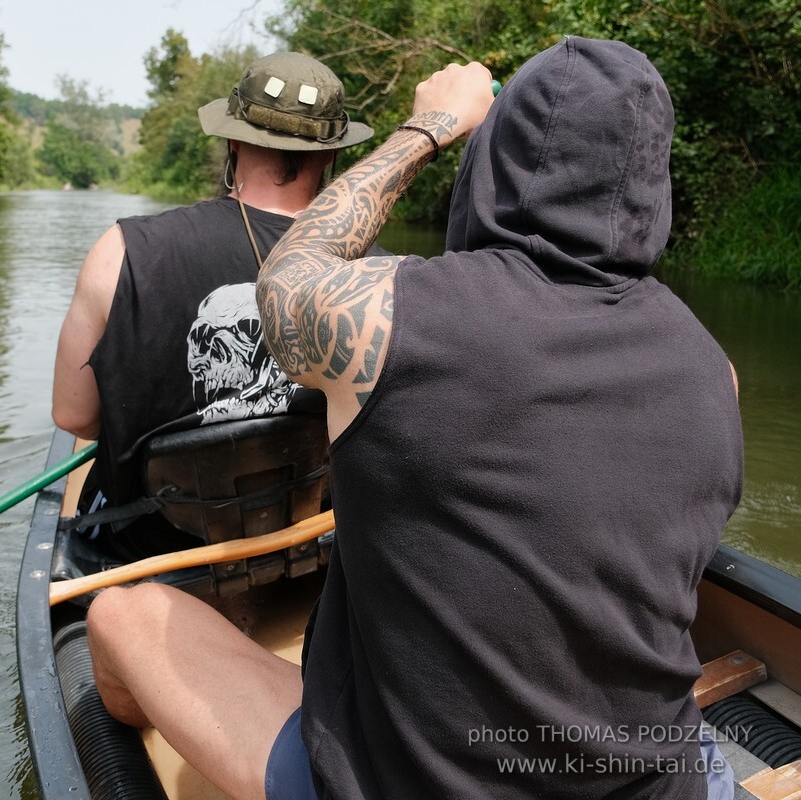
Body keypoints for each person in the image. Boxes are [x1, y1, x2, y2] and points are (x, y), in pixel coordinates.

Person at [86, 36, 743, 800]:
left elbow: (286, 279)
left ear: (493, 165)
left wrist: (427, 127)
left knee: (120, 615)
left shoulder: (400, 320)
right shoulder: (712, 370)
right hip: (660, 785)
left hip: (408, 786)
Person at [51, 52, 382, 561]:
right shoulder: (382, 272)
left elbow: (75, 416)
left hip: (152, 550)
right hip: (313, 538)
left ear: (232, 139)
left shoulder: (122, 251)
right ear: (333, 155)